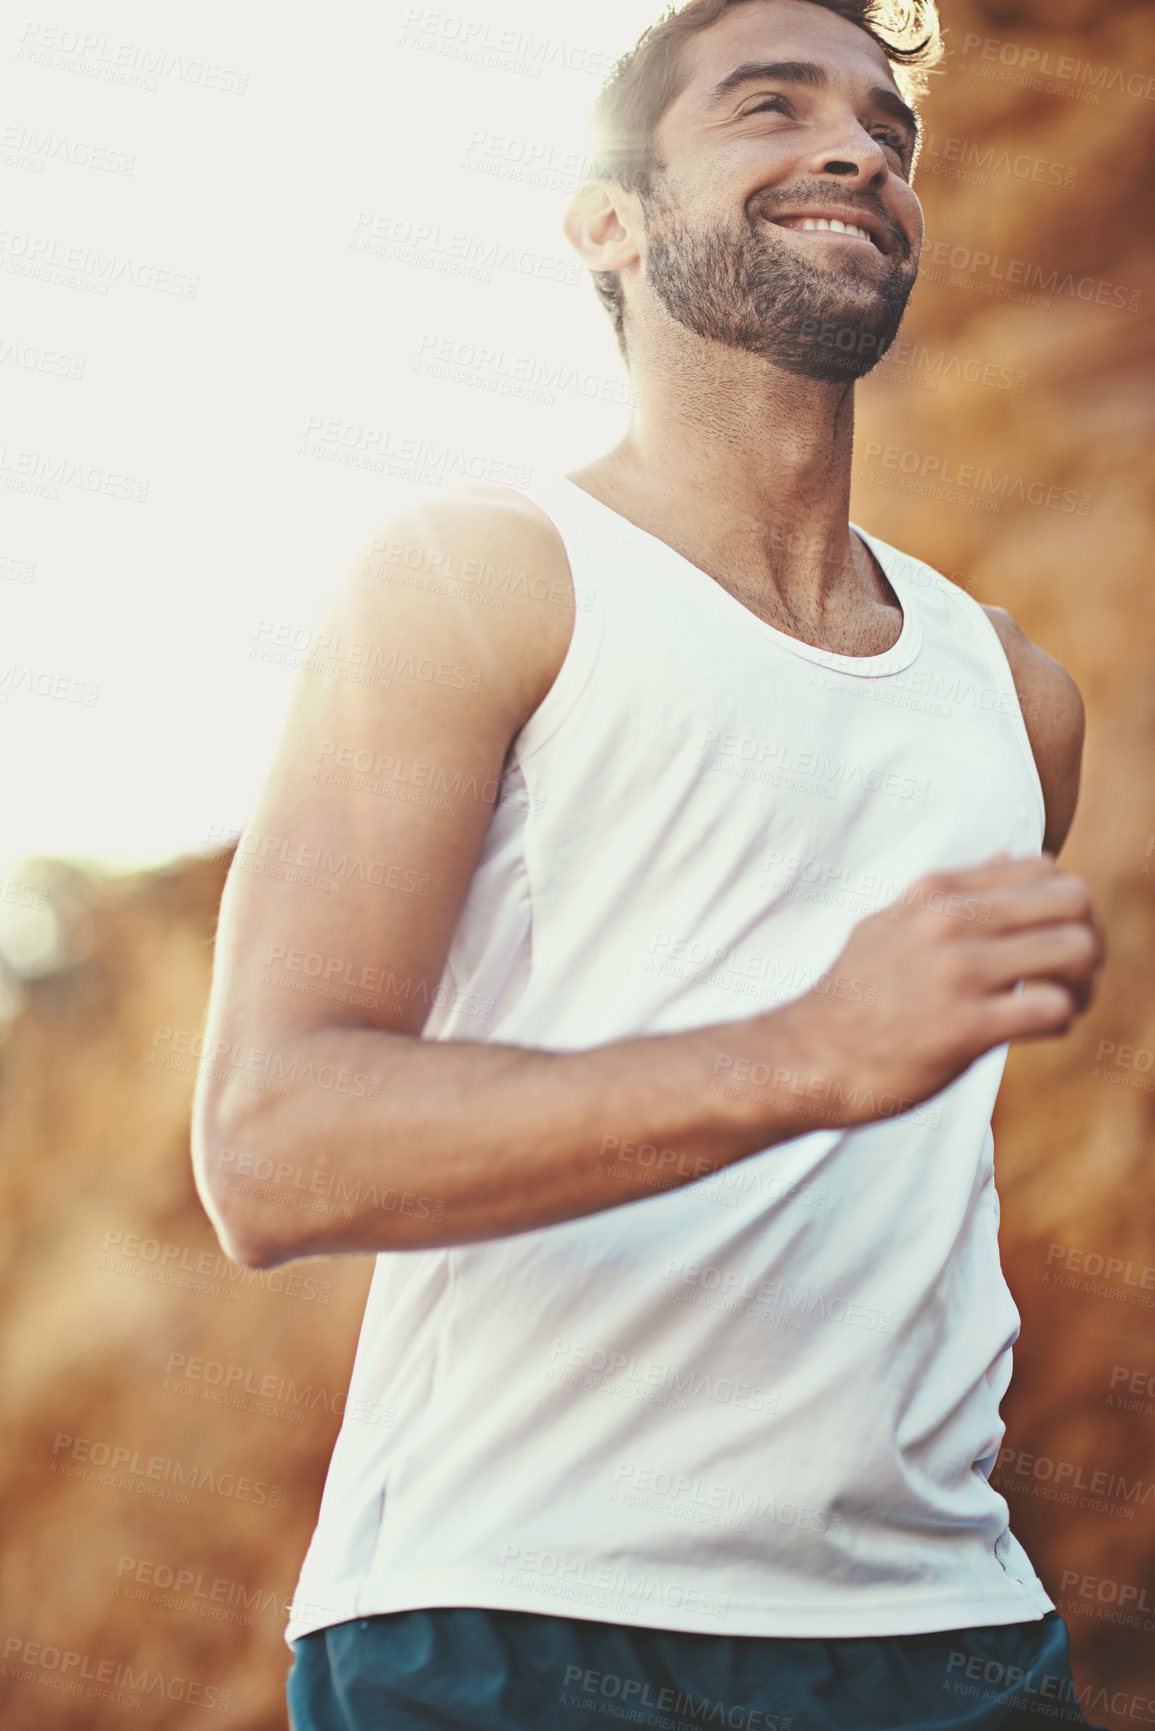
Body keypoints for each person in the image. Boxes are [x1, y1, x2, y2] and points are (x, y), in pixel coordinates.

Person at [191, 1, 1109, 1725]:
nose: (856, 153)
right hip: (514, 1624)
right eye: (772, 109)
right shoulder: (482, 575)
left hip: (955, 1636)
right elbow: (272, 1151)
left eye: (885, 137)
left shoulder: (1017, 699)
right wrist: (805, 1055)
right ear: (607, 218)